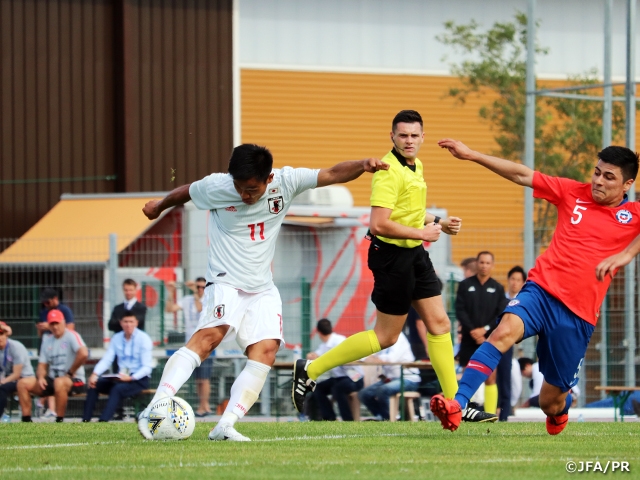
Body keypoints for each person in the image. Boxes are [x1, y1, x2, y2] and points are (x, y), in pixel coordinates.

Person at [137, 143, 388, 441]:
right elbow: (188, 191)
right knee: (211, 336)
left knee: (266, 351)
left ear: (269, 179)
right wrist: (159, 205)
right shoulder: (218, 186)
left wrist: (363, 164)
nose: (244, 195)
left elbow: (333, 173)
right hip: (225, 280)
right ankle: (156, 407)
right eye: (240, 187)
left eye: (252, 189)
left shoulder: (287, 181)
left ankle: (226, 425)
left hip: (262, 287)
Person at [431, 138, 640, 435]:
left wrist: (626, 254)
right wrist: (473, 154)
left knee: (549, 402)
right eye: (596, 172)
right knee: (502, 332)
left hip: (577, 316)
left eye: (609, 177)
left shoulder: (631, 214)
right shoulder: (572, 192)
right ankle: (457, 404)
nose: (598, 181)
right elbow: (521, 174)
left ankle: (559, 413)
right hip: (540, 290)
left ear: (626, 184)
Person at [293, 110, 461, 415]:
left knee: (440, 324)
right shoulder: (387, 171)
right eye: (403, 135)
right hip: (392, 257)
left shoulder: (416, 165)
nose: (409, 141)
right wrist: (422, 233)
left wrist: (439, 222)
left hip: (414, 254)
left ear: (423, 137)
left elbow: (409, 211)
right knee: (386, 337)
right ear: (392, 137)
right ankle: (312, 369)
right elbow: (379, 224)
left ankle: (456, 404)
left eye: (414, 135)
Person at [455, 251, 507, 422]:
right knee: (466, 374)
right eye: (481, 262)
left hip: (489, 339)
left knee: (491, 375)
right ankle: (462, 411)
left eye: (487, 263)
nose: (484, 265)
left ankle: (491, 414)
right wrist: (473, 331)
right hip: (469, 338)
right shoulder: (465, 285)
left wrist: (484, 330)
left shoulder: (498, 288)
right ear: (476, 264)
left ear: (492, 265)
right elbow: (460, 310)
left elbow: (500, 314)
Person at [17, 310, 88, 422]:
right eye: (52, 324)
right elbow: (42, 365)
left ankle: (59, 419)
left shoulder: (72, 335)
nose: (55, 327)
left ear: (63, 322)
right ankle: (26, 419)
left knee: (59, 382)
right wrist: (40, 377)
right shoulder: (47, 340)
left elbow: (83, 353)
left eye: (57, 323)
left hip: (73, 379)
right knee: (22, 383)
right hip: (54, 379)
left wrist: (70, 372)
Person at [82, 311, 153, 422]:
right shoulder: (117, 338)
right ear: (121, 323)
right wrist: (95, 374)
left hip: (138, 379)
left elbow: (146, 368)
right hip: (121, 377)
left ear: (136, 323)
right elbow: (107, 359)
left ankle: (103, 421)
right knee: (94, 384)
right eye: (125, 321)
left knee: (117, 389)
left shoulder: (144, 339)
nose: (128, 324)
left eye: (131, 321)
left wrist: (130, 378)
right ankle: (86, 420)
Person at [164, 278, 213, 417]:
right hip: (191, 344)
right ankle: (202, 406)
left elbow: (200, 309)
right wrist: (170, 292)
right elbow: (169, 309)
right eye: (197, 287)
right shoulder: (187, 300)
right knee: (198, 379)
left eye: (202, 287)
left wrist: (194, 292)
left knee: (205, 378)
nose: (199, 290)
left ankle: (206, 406)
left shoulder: (208, 300)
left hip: (205, 343)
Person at [306, 319, 364, 422]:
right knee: (318, 388)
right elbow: (316, 355)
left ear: (318, 332)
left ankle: (348, 420)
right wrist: (311, 355)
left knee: (337, 389)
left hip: (355, 376)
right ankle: (329, 418)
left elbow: (354, 357)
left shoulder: (339, 341)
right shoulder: (325, 345)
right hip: (338, 378)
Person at [358, 332, 421, 421]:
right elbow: (367, 356)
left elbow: (391, 359)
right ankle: (381, 416)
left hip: (408, 379)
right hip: (389, 379)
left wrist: (375, 358)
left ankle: (389, 419)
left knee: (383, 390)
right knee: (364, 394)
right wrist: (374, 358)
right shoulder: (383, 338)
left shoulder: (399, 337)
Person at [0, 321, 35, 419]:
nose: (0, 337)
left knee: (2, 388)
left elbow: (16, 374)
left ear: (6, 334)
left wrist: (2, 382)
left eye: (1, 334)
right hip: (8, 379)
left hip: (24, 379)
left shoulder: (16, 347)